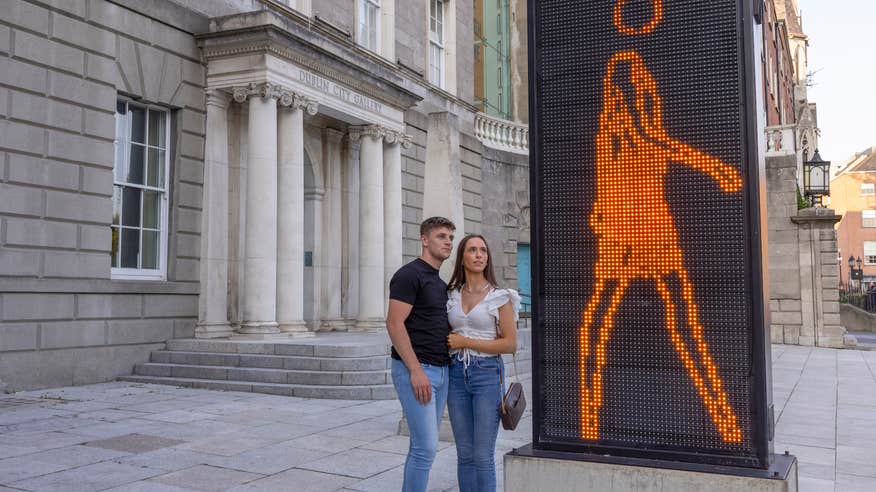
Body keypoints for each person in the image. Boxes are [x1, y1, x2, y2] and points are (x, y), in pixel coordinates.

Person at [386, 216, 456, 492]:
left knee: (424, 446)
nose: (448, 241)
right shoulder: (409, 275)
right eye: (441, 236)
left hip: (441, 370)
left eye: (451, 237)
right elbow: (394, 323)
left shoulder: (438, 282)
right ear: (424, 240)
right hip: (417, 369)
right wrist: (415, 370)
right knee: (426, 447)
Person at [445, 234, 520, 492]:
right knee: (464, 453)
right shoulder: (451, 295)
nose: (479, 255)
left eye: (483, 251)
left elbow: (510, 344)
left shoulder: (500, 296)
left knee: (482, 455)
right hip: (456, 373)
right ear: (462, 257)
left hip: (487, 374)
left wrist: (466, 342)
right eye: (472, 250)